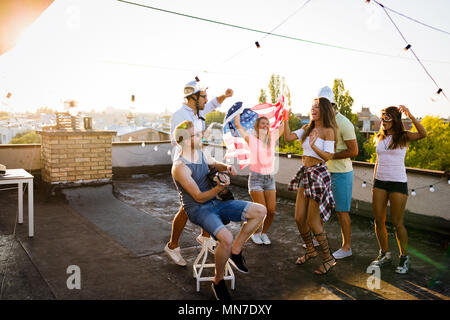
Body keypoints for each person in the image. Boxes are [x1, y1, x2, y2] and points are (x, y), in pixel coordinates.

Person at [171, 120, 266, 300]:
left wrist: (226, 167)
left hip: (215, 202)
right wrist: (220, 187)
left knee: (260, 211)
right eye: (195, 135)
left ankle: (236, 250)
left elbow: (214, 163)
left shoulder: (200, 153)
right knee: (226, 238)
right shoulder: (179, 167)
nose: (201, 136)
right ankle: (218, 281)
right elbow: (198, 197)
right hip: (199, 209)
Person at [165, 80, 234, 266]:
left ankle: (205, 236)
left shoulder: (199, 111)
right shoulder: (179, 115)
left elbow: (213, 104)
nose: (207, 100)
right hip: (187, 164)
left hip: (201, 158)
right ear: (192, 98)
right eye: (203, 96)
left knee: (207, 198)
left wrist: (225, 96)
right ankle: (172, 246)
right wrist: (194, 142)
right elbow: (177, 140)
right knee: (188, 206)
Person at [283, 97, 338, 275]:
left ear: (324, 110)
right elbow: (288, 137)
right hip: (305, 173)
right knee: (299, 218)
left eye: (317, 107)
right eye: (312, 107)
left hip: (319, 174)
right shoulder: (308, 128)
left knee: (313, 221)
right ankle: (310, 249)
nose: (313, 110)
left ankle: (329, 259)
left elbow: (329, 156)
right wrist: (285, 117)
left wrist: (314, 146)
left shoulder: (328, 131)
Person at [369, 105, 426, 274]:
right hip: (380, 182)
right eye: (382, 118)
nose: (383, 121)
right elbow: (378, 162)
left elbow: (423, 134)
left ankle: (404, 257)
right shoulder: (380, 137)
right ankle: (385, 254)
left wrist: (410, 115)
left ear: (394, 120)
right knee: (378, 220)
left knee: (397, 222)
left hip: (397, 183)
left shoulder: (403, 137)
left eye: (387, 118)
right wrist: (374, 182)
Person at [316, 86, 359, 260]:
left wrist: (331, 155)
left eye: (325, 104)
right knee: (319, 209)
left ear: (332, 105)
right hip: (324, 172)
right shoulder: (320, 122)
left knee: (342, 212)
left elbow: (354, 150)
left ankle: (346, 247)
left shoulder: (344, 123)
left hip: (341, 174)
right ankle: (319, 239)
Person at [234, 113, 284, 245]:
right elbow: (239, 126)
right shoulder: (252, 140)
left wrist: (285, 112)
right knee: (262, 210)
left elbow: (283, 127)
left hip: (270, 179)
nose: (265, 125)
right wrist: (237, 115)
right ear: (257, 126)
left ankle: (263, 233)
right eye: (263, 123)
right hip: (256, 179)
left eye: (267, 124)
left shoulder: (271, 139)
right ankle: (255, 233)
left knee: (271, 210)